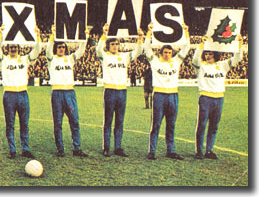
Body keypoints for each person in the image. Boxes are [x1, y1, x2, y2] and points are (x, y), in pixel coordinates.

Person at [0, 25, 41, 159]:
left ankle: (25, 148)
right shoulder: (4, 60)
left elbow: (36, 51)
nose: (13, 49)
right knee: (10, 124)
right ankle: (12, 149)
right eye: (11, 47)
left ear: (18, 49)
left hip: (22, 94)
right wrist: (1, 35)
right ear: (7, 49)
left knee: (24, 123)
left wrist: (37, 36)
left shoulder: (25, 59)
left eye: (15, 47)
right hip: (9, 95)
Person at [143, 23, 190, 160]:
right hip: (159, 96)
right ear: (161, 53)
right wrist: (149, 32)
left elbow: (186, 48)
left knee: (171, 124)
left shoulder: (176, 61)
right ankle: (152, 151)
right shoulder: (155, 61)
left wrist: (186, 32)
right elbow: (146, 47)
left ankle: (171, 150)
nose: (167, 55)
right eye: (165, 52)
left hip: (173, 95)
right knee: (156, 124)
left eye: (169, 52)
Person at [95, 24, 143, 157]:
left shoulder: (125, 56)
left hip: (122, 91)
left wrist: (140, 39)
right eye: (113, 44)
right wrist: (104, 34)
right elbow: (98, 50)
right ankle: (106, 147)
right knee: (108, 120)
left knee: (120, 121)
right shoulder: (105, 56)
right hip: (110, 90)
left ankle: (118, 147)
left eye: (117, 44)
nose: (115, 46)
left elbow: (138, 52)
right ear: (108, 45)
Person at [192, 35, 242, 159]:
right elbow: (195, 60)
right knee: (202, 125)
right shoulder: (201, 66)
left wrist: (239, 44)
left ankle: (209, 150)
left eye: (210, 53)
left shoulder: (223, 65)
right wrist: (201, 45)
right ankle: (199, 151)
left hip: (219, 98)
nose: (208, 56)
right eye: (206, 53)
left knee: (214, 126)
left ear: (215, 54)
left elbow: (237, 58)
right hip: (205, 98)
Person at [45, 25, 88, 158]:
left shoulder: (70, 59)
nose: (61, 49)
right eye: (59, 47)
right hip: (57, 93)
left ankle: (77, 148)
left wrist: (84, 37)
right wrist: (52, 35)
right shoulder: (51, 60)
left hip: (70, 92)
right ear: (55, 48)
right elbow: (47, 51)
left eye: (63, 47)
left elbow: (80, 52)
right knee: (58, 123)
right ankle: (60, 148)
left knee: (74, 121)